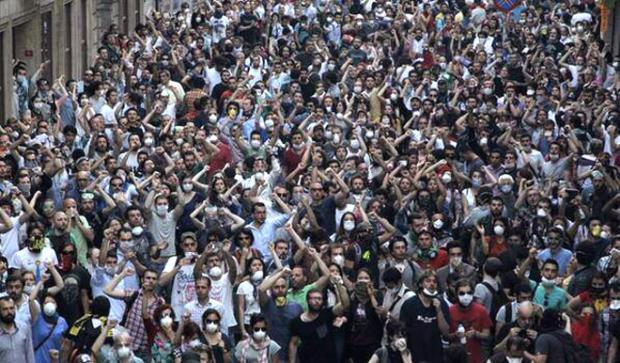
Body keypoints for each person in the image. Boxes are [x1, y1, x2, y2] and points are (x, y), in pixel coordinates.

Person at [288, 280, 350, 363]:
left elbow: (345, 304)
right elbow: (293, 343)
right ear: (307, 300)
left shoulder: (327, 314)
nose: (317, 301)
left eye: (319, 299)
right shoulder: (297, 322)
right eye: (313, 298)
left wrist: (338, 284)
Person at [400, 270, 450, 363]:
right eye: (428, 281)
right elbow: (403, 331)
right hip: (415, 354)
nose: (432, 284)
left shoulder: (441, 303)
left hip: (435, 355)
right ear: (420, 284)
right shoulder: (409, 304)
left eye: (434, 282)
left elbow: (445, 332)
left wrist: (438, 310)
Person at [448, 278, 492, 363]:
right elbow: (446, 336)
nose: (466, 296)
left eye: (469, 293)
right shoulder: (450, 311)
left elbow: (487, 335)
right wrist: (455, 335)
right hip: (456, 358)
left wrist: (476, 333)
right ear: (456, 294)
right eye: (462, 293)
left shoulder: (481, 310)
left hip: (476, 356)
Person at [0, 295, 35, 363]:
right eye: (5, 309)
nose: (9, 312)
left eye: (11, 308)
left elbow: (30, 354)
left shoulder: (24, 328)